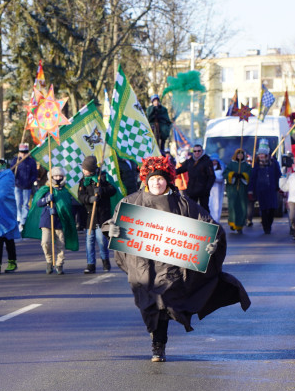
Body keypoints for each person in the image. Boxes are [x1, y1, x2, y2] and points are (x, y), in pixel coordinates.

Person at [103, 155, 250, 362]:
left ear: (168, 179)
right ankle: (156, 336)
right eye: (153, 179)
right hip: (141, 266)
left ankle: (158, 345)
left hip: (168, 266)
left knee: (163, 304)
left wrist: (211, 242)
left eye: (161, 178)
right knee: (148, 305)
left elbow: (209, 225)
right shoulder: (131, 201)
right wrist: (112, 229)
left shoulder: (181, 202)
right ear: (146, 179)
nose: (157, 182)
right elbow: (112, 222)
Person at [23, 165, 77, 274]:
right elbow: (38, 203)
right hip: (47, 220)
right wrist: (47, 200)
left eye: (59, 176)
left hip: (60, 220)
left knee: (61, 243)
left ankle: (59, 264)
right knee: (45, 242)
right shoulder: (46, 189)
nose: (57, 178)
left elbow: (67, 205)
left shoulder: (65, 191)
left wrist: (58, 210)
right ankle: (49, 261)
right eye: (55, 176)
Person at [77, 155, 119, 273]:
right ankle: (90, 264)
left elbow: (113, 190)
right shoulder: (83, 181)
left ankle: (105, 261)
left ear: (90, 169)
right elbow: (80, 196)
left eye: (85, 169)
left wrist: (101, 191)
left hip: (102, 215)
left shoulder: (103, 178)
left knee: (101, 240)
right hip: (90, 215)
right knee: (89, 241)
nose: (83, 171)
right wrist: (89, 199)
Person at [249, 147, 282, 234]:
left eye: (262, 154)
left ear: (267, 155)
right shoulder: (256, 165)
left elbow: (278, 175)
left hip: (272, 189)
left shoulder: (273, 163)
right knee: (263, 209)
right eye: (259, 154)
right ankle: (266, 227)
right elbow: (253, 178)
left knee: (272, 209)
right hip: (261, 190)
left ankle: (269, 223)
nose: (261, 156)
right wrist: (251, 190)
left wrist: (280, 186)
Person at [176, 143, 215, 209]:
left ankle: (205, 220)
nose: (197, 152)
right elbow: (180, 170)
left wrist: (207, 189)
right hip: (192, 190)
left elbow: (212, 177)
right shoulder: (189, 161)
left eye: (199, 151)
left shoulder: (207, 161)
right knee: (191, 208)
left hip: (203, 191)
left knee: (204, 209)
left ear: (202, 151)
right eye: (195, 151)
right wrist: (169, 171)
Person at [223, 148, 251, 233]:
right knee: (233, 206)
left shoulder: (246, 165)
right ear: (236, 155)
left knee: (242, 207)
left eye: (241, 154)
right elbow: (225, 174)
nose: (240, 156)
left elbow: (250, 173)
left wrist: (243, 176)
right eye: (238, 154)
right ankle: (232, 223)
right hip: (233, 189)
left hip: (242, 189)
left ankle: (240, 225)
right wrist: (233, 175)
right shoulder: (231, 164)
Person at [12, 143, 38, 226]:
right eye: (22, 152)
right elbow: (11, 171)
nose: (23, 154)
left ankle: (23, 221)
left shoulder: (31, 161)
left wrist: (31, 181)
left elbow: (34, 173)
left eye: (25, 152)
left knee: (25, 204)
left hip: (27, 186)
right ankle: (19, 217)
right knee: (18, 202)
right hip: (17, 185)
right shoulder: (16, 160)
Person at [208, 156, 224, 222]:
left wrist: (214, 178)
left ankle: (216, 220)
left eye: (215, 161)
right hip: (210, 190)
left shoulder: (220, 170)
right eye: (213, 161)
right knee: (210, 204)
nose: (214, 162)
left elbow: (220, 179)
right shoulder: (208, 168)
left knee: (216, 205)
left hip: (217, 190)